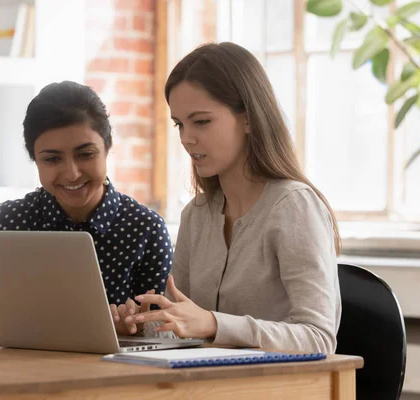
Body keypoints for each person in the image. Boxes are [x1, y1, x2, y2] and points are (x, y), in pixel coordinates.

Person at [0, 81, 173, 341]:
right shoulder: (10, 222)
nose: (72, 173)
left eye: (86, 154)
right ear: (34, 159)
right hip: (17, 374)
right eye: (52, 159)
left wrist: (137, 326)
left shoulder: (146, 229)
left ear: (108, 147)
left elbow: (166, 329)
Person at [122, 42, 342, 353]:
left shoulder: (295, 207)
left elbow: (319, 339)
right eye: (179, 124)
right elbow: (180, 330)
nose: (187, 138)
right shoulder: (195, 215)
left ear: (249, 118)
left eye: (201, 121)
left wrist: (214, 324)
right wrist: (140, 325)